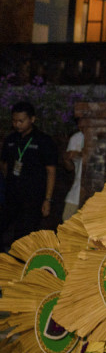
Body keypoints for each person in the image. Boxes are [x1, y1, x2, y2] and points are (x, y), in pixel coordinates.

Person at [0, 101, 58, 253]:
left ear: (32, 119)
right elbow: (5, 164)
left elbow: (51, 171)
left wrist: (47, 199)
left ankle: (19, 268)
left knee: (23, 235)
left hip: (33, 198)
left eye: (21, 121)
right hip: (12, 196)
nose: (17, 124)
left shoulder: (43, 141)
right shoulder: (11, 140)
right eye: (14, 121)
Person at [62, 118, 85, 221]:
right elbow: (70, 168)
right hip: (76, 191)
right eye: (79, 123)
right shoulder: (76, 138)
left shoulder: (101, 136)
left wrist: (81, 154)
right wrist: (67, 159)